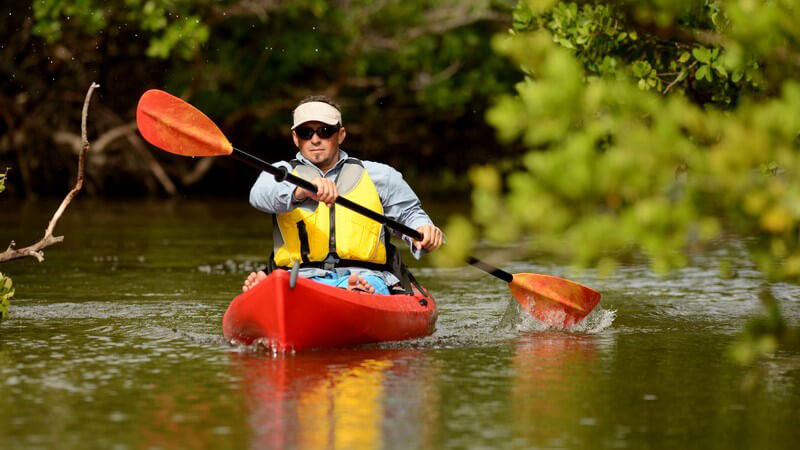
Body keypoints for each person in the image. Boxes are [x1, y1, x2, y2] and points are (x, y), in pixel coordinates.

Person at [242, 95, 444, 294]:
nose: (315, 140)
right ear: (295, 138)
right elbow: (259, 196)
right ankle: (273, 289)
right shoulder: (280, 174)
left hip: (366, 275)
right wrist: (300, 190)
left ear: (341, 135)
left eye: (325, 131)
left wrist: (422, 230)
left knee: (366, 284)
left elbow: (410, 214)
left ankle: (356, 292)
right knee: (288, 283)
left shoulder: (380, 175)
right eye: (306, 133)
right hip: (300, 277)